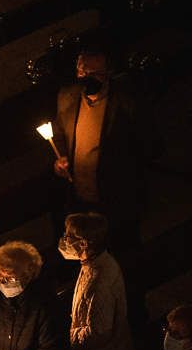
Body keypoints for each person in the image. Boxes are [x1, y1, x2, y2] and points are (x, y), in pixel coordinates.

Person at [50, 45, 152, 254]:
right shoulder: (68, 97)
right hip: (79, 200)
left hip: (116, 200)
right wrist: (60, 160)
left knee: (122, 252)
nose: (86, 78)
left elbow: (148, 145)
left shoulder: (125, 103)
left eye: (94, 74)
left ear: (107, 75)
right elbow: (59, 134)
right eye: (82, 72)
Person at [60, 212, 133, 350]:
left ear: (83, 244)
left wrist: (66, 338)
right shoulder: (94, 264)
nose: (64, 241)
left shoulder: (100, 281)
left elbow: (98, 333)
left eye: (68, 237)